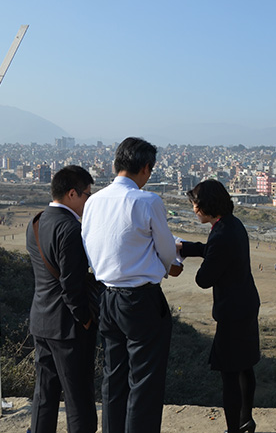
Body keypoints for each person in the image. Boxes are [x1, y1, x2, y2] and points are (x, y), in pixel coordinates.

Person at [81, 137, 181, 433]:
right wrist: (165, 267)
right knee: (145, 381)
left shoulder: (94, 201)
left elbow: (89, 245)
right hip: (140, 300)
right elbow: (166, 251)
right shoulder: (147, 200)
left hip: (106, 297)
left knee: (114, 376)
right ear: (146, 168)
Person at [178, 179, 260, 433]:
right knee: (246, 366)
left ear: (207, 205)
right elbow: (216, 251)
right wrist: (189, 248)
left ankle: (233, 429)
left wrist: (182, 259)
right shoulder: (232, 225)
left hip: (231, 312)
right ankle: (246, 419)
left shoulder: (221, 233)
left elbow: (204, 280)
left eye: (195, 204)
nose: (193, 209)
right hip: (246, 304)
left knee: (229, 374)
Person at [26, 165, 97, 433]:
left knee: (45, 395)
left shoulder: (37, 221)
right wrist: (86, 319)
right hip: (68, 326)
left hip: (41, 320)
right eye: (86, 195)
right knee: (78, 397)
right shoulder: (70, 229)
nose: (88, 201)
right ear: (71, 194)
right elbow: (72, 285)